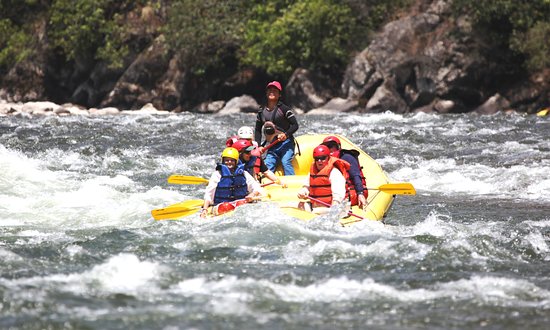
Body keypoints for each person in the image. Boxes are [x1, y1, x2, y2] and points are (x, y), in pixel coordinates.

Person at [200, 147, 266, 218]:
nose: (229, 162)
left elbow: (257, 188)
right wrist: (205, 209)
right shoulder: (217, 174)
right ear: (223, 161)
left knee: (242, 205)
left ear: (236, 161)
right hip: (221, 206)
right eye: (227, 160)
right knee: (226, 206)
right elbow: (209, 195)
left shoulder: (243, 173)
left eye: (232, 160)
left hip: (239, 203)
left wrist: (252, 195)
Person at [255, 81, 299, 175]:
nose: (272, 92)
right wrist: (259, 146)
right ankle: (266, 184)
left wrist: (286, 134)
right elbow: (258, 129)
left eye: (275, 91)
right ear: (266, 93)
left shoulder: (284, 109)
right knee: (268, 164)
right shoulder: (261, 111)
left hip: (286, 144)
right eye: (270, 90)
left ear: (279, 95)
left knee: (285, 162)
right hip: (272, 145)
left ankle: (291, 183)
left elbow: (295, 125)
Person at [297, 145, 350, 215]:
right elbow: (306, 187)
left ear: (328, 158)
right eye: (317, 159)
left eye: (322, 158)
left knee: (316, 212)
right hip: (316, 206)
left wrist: (334, 207)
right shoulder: (313, 171)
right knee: (294, 205)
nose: (319, 161)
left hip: (332, 207)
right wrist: (303, 192)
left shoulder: (334, 172)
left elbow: (338, 195)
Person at [321, 136, 368, 209]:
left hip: (352, 192)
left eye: (331, 146)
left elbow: (355, 175)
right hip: (336, 192)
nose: (329, 149)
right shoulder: (324, 161)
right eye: (326, 147)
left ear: (338, 147)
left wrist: (360, 193)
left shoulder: (347, 157)